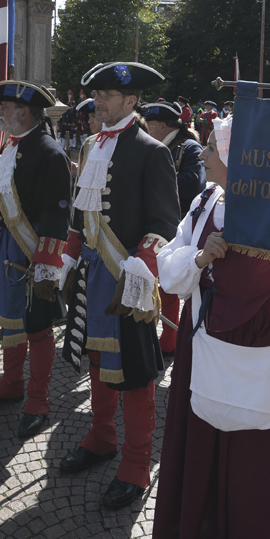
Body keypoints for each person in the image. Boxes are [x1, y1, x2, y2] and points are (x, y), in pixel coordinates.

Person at [152, 116, 270, 539]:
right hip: (202, 340)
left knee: (251, 457)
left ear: (239, 160)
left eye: (214, 150)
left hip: (257, 345)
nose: (206, 156)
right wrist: (199, 259)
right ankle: (197, 536)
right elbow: (169, 266)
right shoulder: (205, 202)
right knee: (203, 439)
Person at [58, 61, 180, 510]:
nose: (98, 102)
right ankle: (101, 436)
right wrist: (67, 255)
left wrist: (142, 264)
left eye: (107, 96)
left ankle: (135, 464)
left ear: (131, 101)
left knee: (133, 371)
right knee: (97, 358)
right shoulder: (91, 145)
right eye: (97, 95)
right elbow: (80, 208)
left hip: (128, 276)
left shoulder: (152, 151)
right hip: (91, 270)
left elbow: (165, 221)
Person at [0, 81, 71, 441]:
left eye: (4, 108)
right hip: (6, 250)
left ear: (24, 112)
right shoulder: (11, 146)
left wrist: (46, 268)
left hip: (31, 258)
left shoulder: (49, 153)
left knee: (37, 328)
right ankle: (11, 383)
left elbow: (57, 217)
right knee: (11, 323)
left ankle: (38, 402)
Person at [141, 100, 206, 354]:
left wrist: (155, 179)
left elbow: (194, 183)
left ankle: (170, 339)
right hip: (151, 222)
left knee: (169, 282)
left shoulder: (189, 147)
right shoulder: (153, 146)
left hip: (176, 226)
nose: (146, 129)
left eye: (149, 125)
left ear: (160, 126)